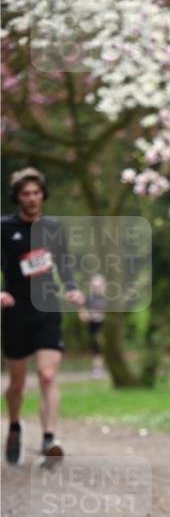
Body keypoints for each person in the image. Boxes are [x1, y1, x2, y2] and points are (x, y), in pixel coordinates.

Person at [1, 167, 85, 465]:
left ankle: (50, 439)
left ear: (43, 195)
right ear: (17, 197)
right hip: (15, 311)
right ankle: (14, 426)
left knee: (48, 375)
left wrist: (72, 288)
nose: (32, 198)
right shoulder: (4, 227)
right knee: (17, 384)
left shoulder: (52, 227)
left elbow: (63, 263)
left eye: (36, 192)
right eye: (26, 193)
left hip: (47, 308)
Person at [79, 273, 106, 377]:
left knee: (102, 347)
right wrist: (88, 316)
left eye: (98, 285)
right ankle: (97, 368)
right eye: (94, 286)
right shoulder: (88, 299)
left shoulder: (107, 298)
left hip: (105, 327)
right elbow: (82, 313)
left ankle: (101, 367)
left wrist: (99, 315)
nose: (96, 288)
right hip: (93, 327)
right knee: (96, 348)